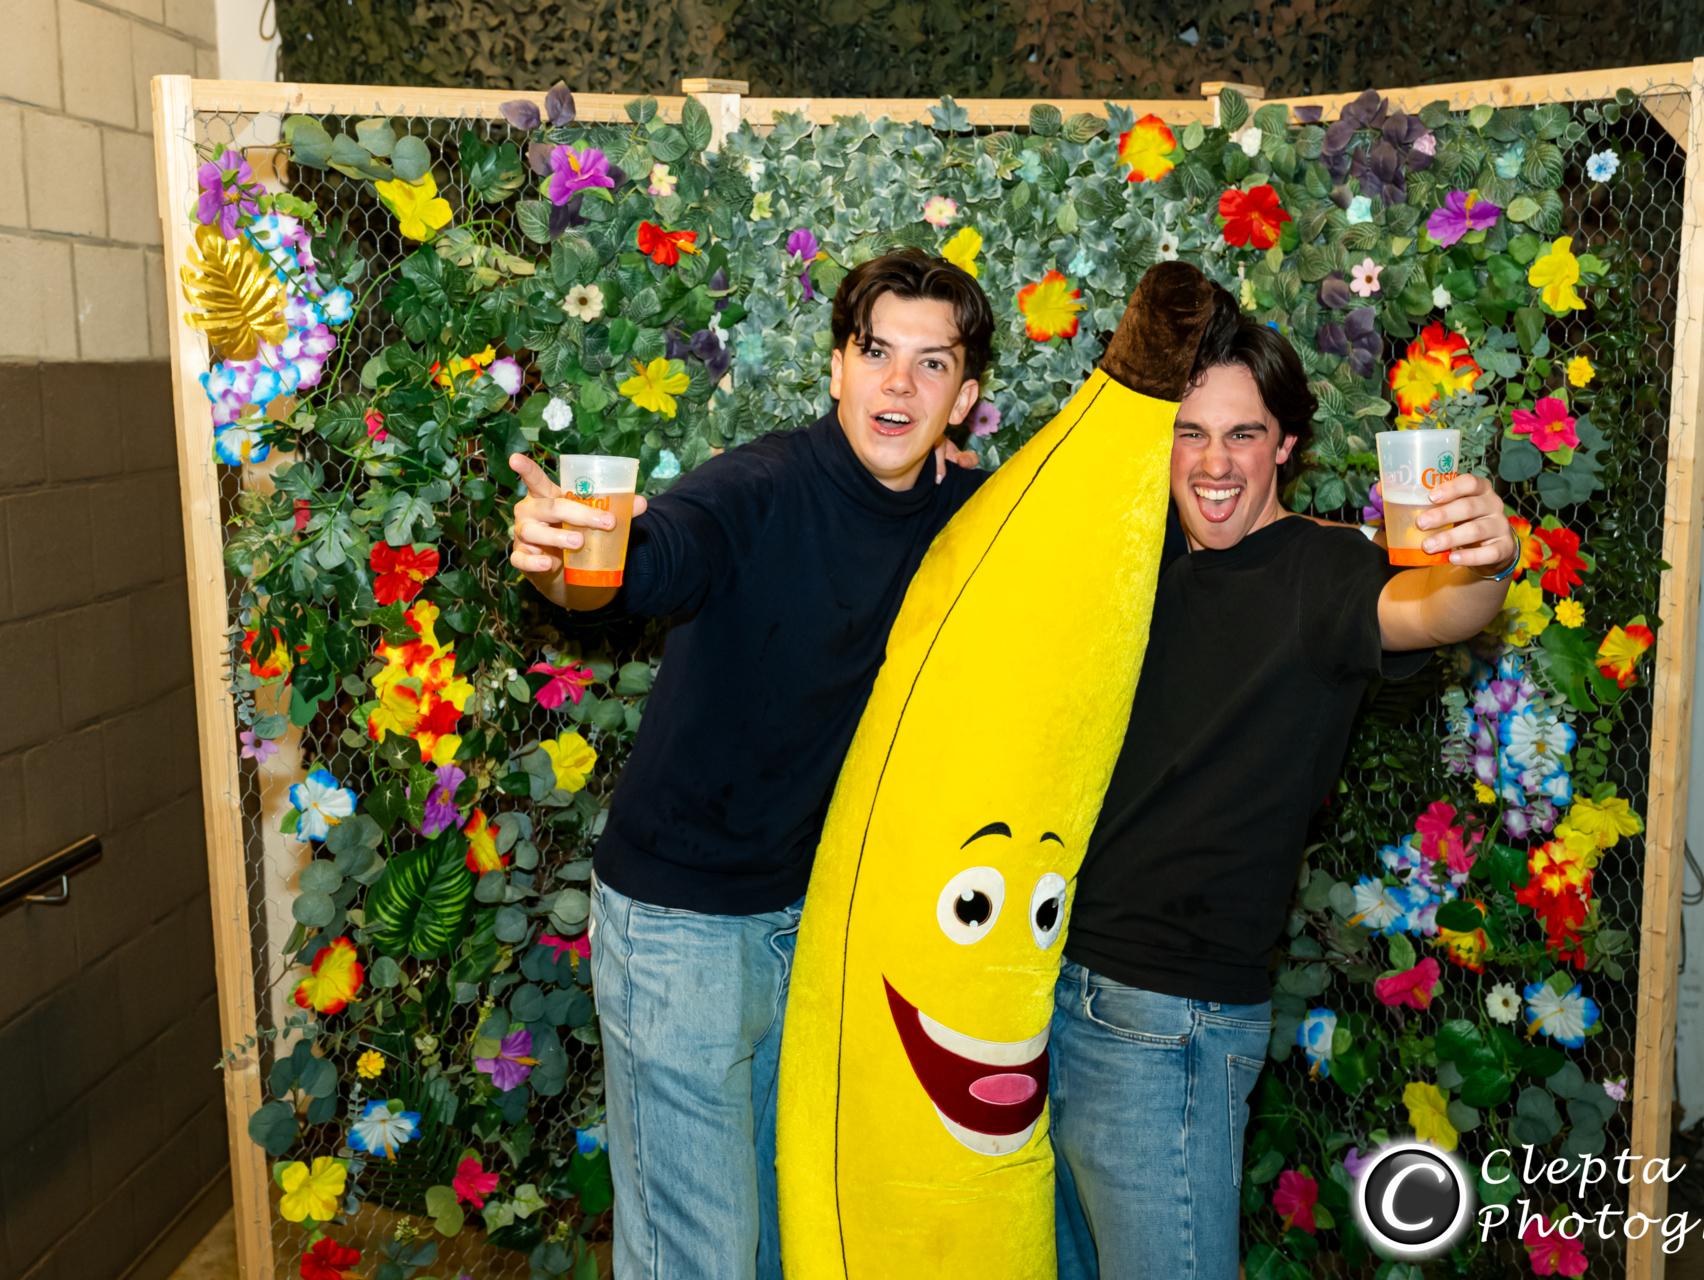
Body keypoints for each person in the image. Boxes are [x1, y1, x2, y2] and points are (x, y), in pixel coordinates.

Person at [506, 248, 992, 1279]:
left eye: (932, 364)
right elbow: (660, 551)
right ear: (837, 368)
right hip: (680, 924)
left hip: (816, 926)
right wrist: (568, 563)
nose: (898, 384)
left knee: (784, 1242)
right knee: (701, 1255)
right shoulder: (761, 485)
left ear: (965, 399)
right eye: (875, 353)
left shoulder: (971, 513)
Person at [1047, 295, 1521, 1280]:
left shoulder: (1323, 569)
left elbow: (1434, 610)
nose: (1214, 464)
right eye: (1191, 433)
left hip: (1169, 1023)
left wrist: (1488, 562)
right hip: (1053, 995)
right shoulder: (1138, 560)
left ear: (1286, 446)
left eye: (1243, 435)